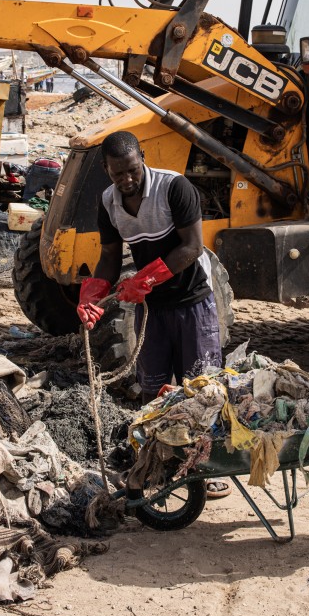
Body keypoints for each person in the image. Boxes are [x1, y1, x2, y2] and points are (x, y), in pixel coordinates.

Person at [77, 131, 230, 498]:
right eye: (118, 174)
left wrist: (146, 277)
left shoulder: (175, 188)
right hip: (153, 310)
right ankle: (155, 465)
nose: (127, 180)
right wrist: (94, 293)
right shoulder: (108, 202)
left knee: (202, 391)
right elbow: (111, 256)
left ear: (142, 157)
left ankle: (203, 471)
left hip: (193, 303)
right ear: (106, 170)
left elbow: (192, 247)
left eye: (132, 170)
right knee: (152, 391)